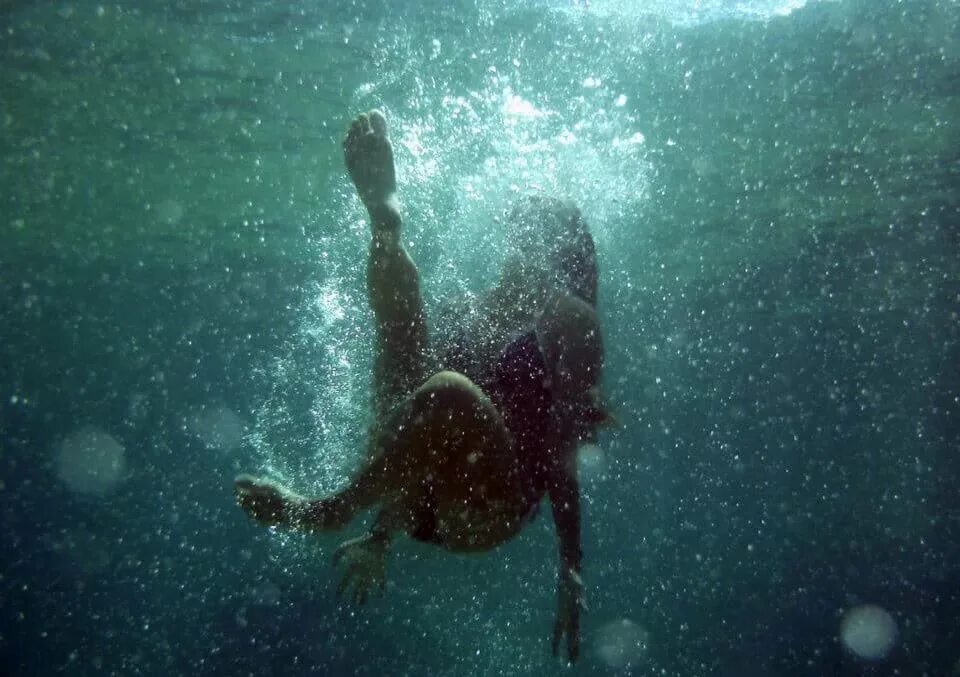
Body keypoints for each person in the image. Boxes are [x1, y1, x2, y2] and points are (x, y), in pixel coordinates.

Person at [234, 110, 608, 662]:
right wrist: (383, 536)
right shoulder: (469, 311)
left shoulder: (570, 319)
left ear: (559, 250)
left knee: (449, 389)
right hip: (413, 499)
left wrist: (571, 564)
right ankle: (385, 222)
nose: (520, 242)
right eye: (518, 230)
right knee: (406, 332)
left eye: (538, 232)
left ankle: (328, 511)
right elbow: (421, 431)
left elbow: (561, 448)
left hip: (489, 507)